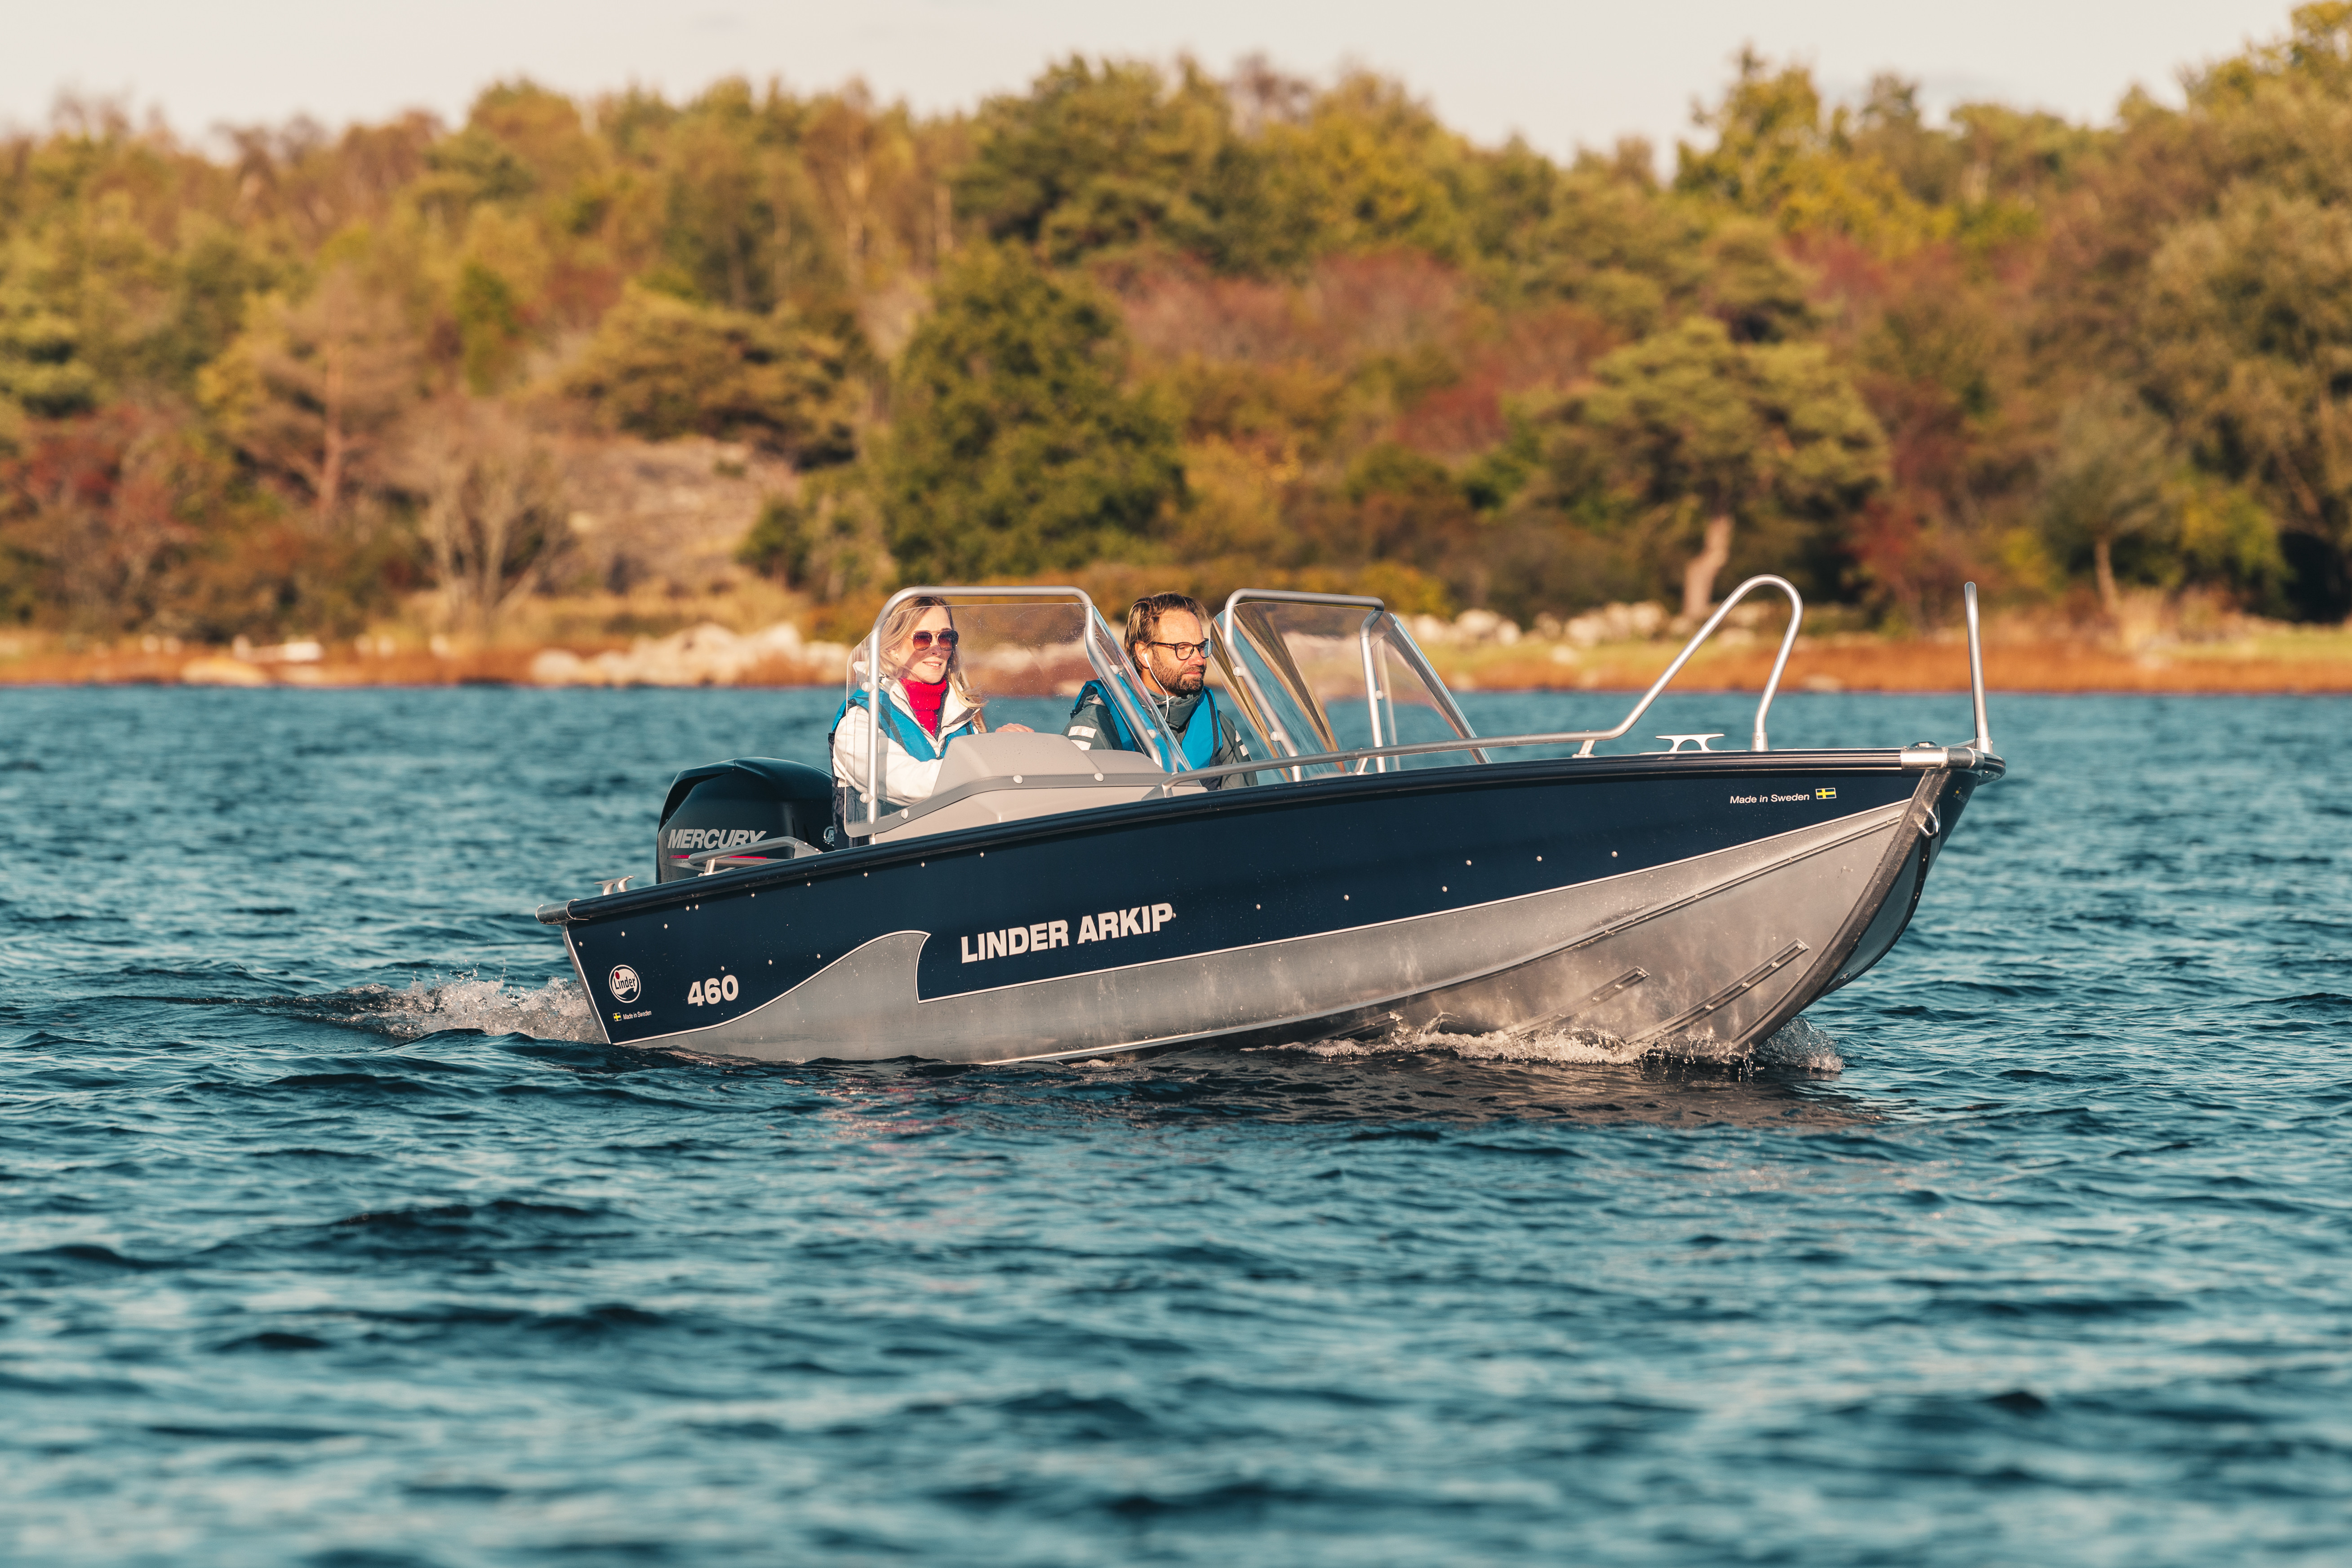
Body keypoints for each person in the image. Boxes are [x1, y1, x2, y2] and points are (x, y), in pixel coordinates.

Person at [830, 596, 1029, 813]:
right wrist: (992, 757)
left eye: (946, 638)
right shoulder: (858, 721)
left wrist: (1011, 748)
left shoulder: (966, 713)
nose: (937, 649)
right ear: (893, 646)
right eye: (923, 638)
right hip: (891, 836)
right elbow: (907, 783)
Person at [1065, 592, 1255, 786]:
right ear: (1143, 653)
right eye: (1182, 648)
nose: (1199, 659)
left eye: (1201, 647)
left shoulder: (1219, 726)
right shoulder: (1099, 724)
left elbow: (1248, 801)